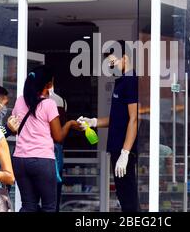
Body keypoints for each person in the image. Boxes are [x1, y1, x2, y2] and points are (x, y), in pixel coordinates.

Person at [78, 40, 139, 212]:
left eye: (113, 61)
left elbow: (134, 118)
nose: (111, 65)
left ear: (125, 57)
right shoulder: (121, 82)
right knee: (123, 195)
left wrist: (125, 152)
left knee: (129, 199)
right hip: (116, 147)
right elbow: (117, 118)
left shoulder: (132, 81)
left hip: (124, 149)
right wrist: (94, 122)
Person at [12, 65, 81, 212]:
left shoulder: (19, 101)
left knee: (28, 206)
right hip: (41, 160)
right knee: (49, 207)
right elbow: (58, 137)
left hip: (20, 160)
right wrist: (69, 124)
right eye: (52, 82)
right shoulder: (49, 104)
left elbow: (14, 127)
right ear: (48, 85)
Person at [47, 86, 68, 212]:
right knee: (55, 186)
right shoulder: (59, 102)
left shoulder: (58, 101)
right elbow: (59, 134)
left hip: (52, 146)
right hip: (55, 146)